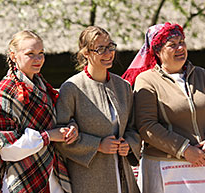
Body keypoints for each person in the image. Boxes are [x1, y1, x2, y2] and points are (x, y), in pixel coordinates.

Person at [123, 22, 205, 193]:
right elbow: (146, 125)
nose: (180, 47)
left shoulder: (203, 76)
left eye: (182, 42)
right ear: (158, 52)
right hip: (167, 167)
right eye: (172, 45)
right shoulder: (147, 80)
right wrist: (184, 149)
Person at [0, 30, 77, 193]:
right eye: (31, 54)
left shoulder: (43, 85)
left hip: (53, 174)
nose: (38, 59)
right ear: (13, 56)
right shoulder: (5, 91)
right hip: (22, 177)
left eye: (41, 53)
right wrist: (48, 136)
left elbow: (57, 120)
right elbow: (7, 150)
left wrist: (71, 127)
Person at [54, 26, 140, 193]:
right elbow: (60, 136)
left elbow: (133, 128)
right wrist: (98, 145)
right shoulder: (72, 88)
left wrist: (128, 144)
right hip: (88, 179)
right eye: (100, 49)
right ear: (86, 53)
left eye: (110, 47)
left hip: (124, 178)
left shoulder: (123, 87)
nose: (108, 53)